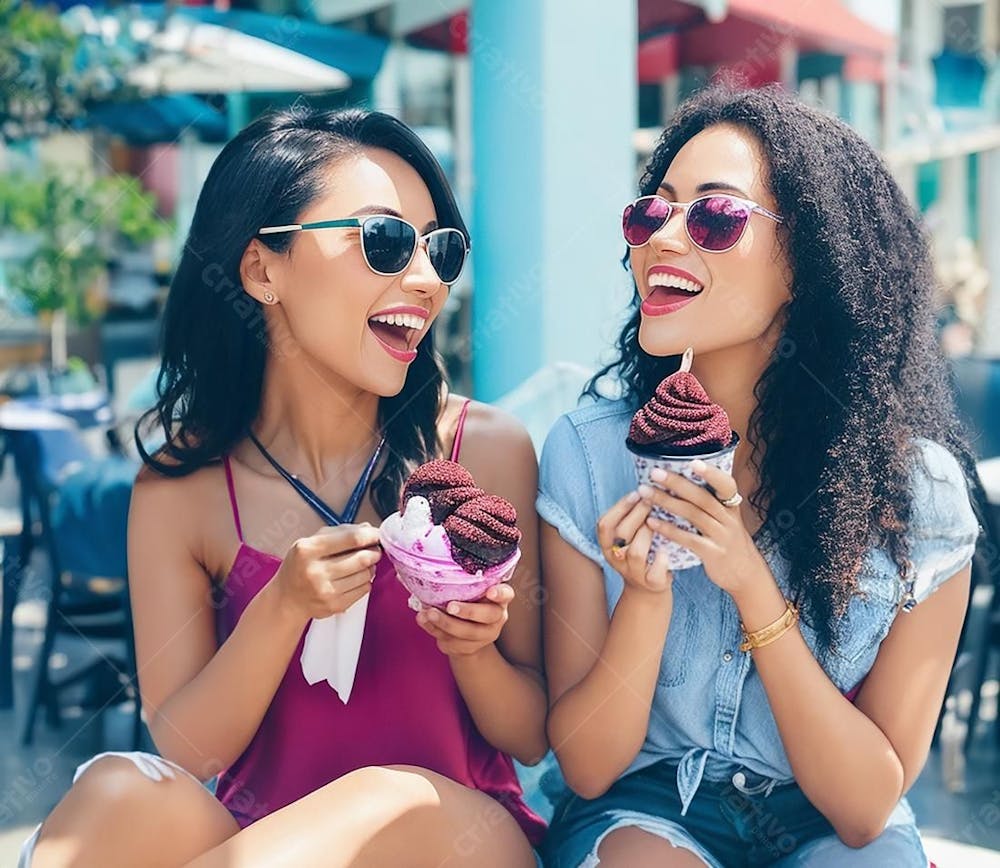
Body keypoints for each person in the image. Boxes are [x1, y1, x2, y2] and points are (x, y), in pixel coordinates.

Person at [25, 107, 547, 868]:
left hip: (458, 836)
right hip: (260, 845)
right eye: (385, 241)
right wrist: (282, 608)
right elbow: (185, 749)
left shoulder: (484, 450)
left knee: (386, 796)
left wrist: (469, 649)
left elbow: (532, 733)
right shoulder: (181, 490)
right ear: (261, 268)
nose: (428, 279)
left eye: (440, 248)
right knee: (120, 792)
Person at [538, 85, 980, 867]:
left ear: (812, 261)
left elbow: (863, 809)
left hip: (820, 820)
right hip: (647, 805)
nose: (665, 236)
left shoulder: (922, 497)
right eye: (651, 211)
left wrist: (751, 586)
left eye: (713, 216)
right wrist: (644, 595)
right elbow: (588, 765)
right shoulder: (589, 452)